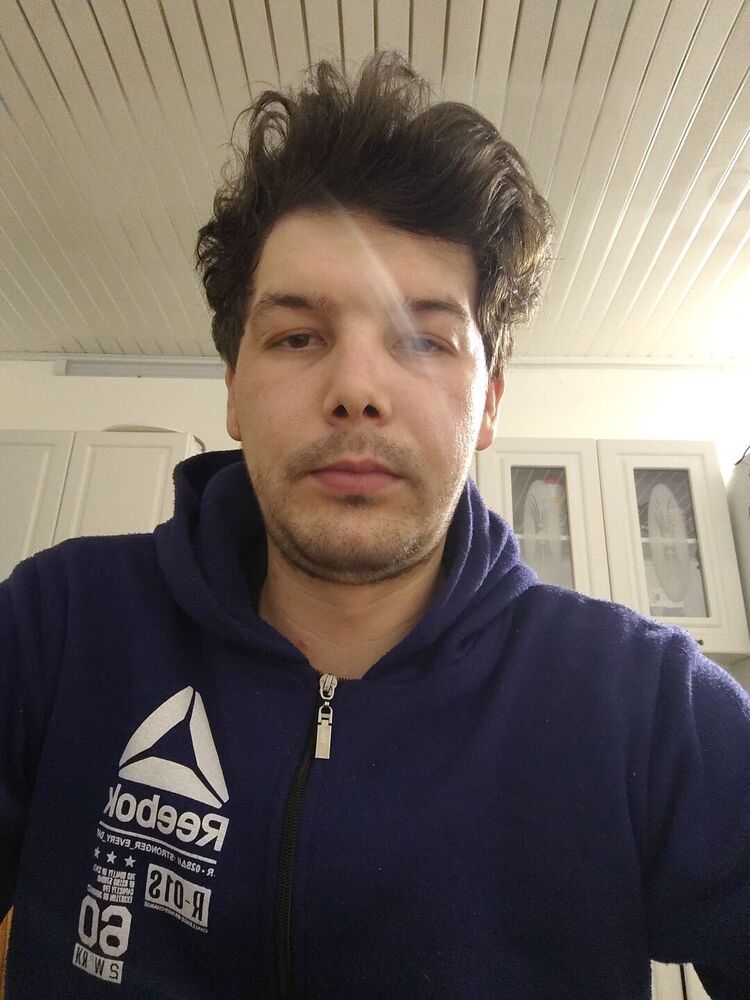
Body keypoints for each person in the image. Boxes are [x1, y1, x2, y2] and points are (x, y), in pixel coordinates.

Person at [0, 50, 748, 1000]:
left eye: (424, 340)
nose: (356, 388)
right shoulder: (58, 626)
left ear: (489, 403)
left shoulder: (646, 707)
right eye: (297, 337)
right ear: (233, 390)